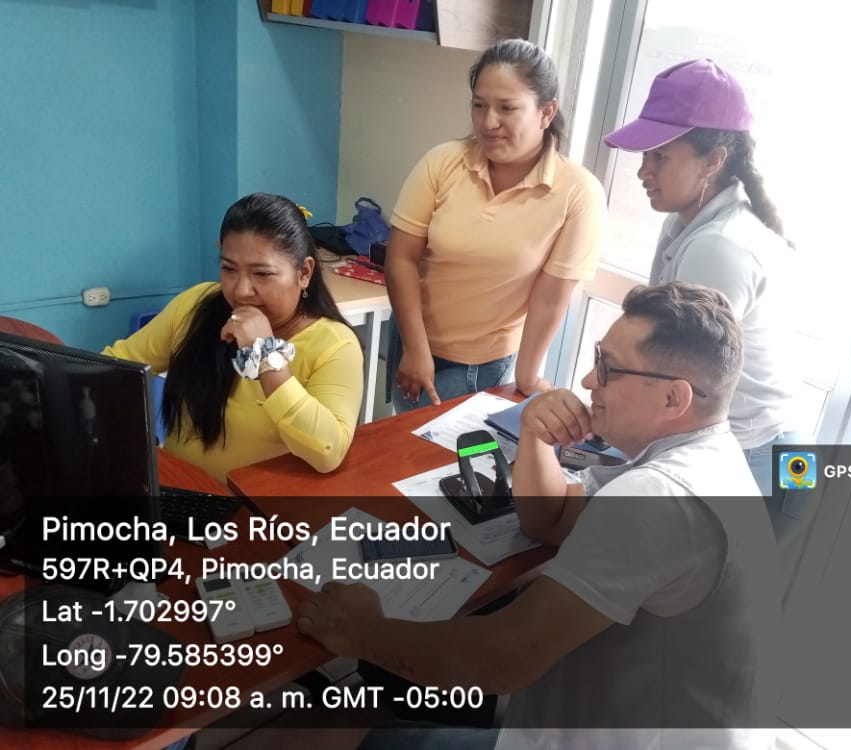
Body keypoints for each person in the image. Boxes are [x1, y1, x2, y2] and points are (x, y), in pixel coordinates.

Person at [298, 282, 780, 750]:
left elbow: (505, 658)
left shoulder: (659, 496)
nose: (589, 382)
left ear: (674, 398)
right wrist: (534, 434)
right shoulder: (703, 455)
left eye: (608, 369)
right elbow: (549, 522)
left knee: (354, 736)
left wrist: (361, 631)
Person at [603, 59, 808, 500]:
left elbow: (674, 378)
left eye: (660, 156)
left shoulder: (718, 246)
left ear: (713, 161)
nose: (643, 171)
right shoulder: (687, 223)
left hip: (767, 457)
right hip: (772, 445)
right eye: (644, 155)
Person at [385, 38, 606, 414]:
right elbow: (401, 258)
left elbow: (551, 296)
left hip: (486, 367)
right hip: (413, 345)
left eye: (507, 108)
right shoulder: (443, 162)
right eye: (479, 105)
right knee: (401, 448)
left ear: (546, 112)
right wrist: (415, 349)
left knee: (472, 453)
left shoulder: (578, 192)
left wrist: (527, 377)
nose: (488, 123)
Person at [103, 192, 364, 483]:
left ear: (304, 273)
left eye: (262, 274)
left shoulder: (335, 345)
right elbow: (117, 366)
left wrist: (266, 356)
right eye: (228, 269)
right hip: (183, 488)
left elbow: (328, 453)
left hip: (261, 504)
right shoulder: (196, 305)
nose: (241, 290)